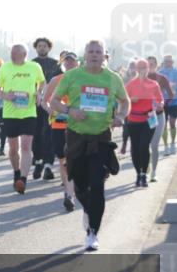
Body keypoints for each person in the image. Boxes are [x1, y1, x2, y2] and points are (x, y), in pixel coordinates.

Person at [51, 40, 129, 251]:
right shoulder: (72, 76)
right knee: (79, 186)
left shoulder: (112, 78)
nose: (94, 55)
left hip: (101, 138)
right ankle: (88, 210)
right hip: (76, 137)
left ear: (104, 56)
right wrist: (70, 111)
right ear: (85, 55)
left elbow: (125, 101)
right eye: (90, 51)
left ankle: (92, 232)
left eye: (98, 52)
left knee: (97, 186)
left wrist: (121, 115)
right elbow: (54, 101)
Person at [0, 44, 46, 194]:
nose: (12, 55)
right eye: (11, 52)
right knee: (12, 149)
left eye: (15, 53)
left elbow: (42, 82)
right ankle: (16, 172)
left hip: (28, 112)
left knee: (25, 146)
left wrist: (38, 93)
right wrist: (6, 96)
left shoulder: (34, 67)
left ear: (24, 54)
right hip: (10, 114)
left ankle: (23, 179)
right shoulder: (5, 68)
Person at [41, 52, 79, 212]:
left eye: (72, 61)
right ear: (62, 64)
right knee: (63, 159)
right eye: (66, 62)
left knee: (74, 159)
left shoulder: (82, 79)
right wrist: (50, 110)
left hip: (78, 126)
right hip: (58, 124)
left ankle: (71, 192)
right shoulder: (55, 80)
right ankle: (69, 193)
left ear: (77, 63)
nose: (69, 64)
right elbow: (44, 101)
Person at [124, 59, 165, 188]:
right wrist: (131, 100)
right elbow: (123, 101)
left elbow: (161, 100)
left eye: (145, 68)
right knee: (135, 148)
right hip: (133, 120)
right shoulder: (130, 85)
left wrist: (160, 106)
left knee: (144, 146)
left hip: (149, 119)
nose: (143, 70)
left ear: (148, 69)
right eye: (140, 68)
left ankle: (144, 174)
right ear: (136, 69)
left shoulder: (154, 84)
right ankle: (138, 173)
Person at [31, 38, 61, 180]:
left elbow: (62, 81)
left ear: (49, 48)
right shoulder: (30, 64)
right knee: (36, 134)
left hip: (50, 103)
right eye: (39, 46)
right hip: (34, 104)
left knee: (49, 134)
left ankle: (48, 165)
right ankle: (38, 162)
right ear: (36, 48)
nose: (42, 48)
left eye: (44, 46)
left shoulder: (55, 64)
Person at [146, 56, 175, 181]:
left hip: (158, 115)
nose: (150, 66)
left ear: (157, 65)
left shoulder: (161, 78)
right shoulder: (141, 79)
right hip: (144, 116)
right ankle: (146, 169)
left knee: (154, 145)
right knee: (145, 145)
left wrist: (162, 103)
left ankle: (154, 172)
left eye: (153, 64)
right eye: (148, 64)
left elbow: (171, 94)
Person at [158, 54, 177, 156]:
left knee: (172, 123)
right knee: (163, 125)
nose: (168, 63)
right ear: (164, 62)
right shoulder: (160, 73)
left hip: (175, 101)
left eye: (170, 61)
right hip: (163, 101)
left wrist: (175, 88)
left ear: (173, 62)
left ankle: (172, 144)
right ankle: (166, 145)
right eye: (166, 61)